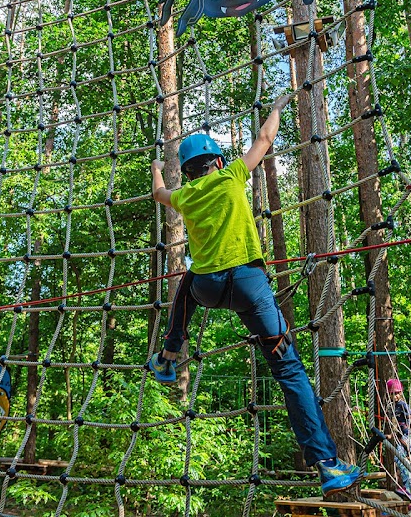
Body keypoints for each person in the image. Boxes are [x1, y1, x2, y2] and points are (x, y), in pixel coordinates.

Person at [147, 94, 365, 498]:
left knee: (189, 279)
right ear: (217, 162)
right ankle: (327, 465)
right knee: (289, 371)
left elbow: (160, 195)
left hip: (209, 288)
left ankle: (168, 354)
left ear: (189, 172)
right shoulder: (230, 176)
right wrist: (277, 107)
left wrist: (158, 169)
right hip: (250, 288)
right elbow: (265, 139)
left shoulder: (186, 196)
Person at [386, 378, 411, 513]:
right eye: (393, 393)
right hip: (400, 438)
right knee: (403, 464)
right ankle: (410, 494)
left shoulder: (403, 405)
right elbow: (396, 427)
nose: (396, 396)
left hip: (407, 438)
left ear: (401, 393)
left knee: (402, 462)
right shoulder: (392, 407)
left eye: (398, 393)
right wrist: (389, 436)